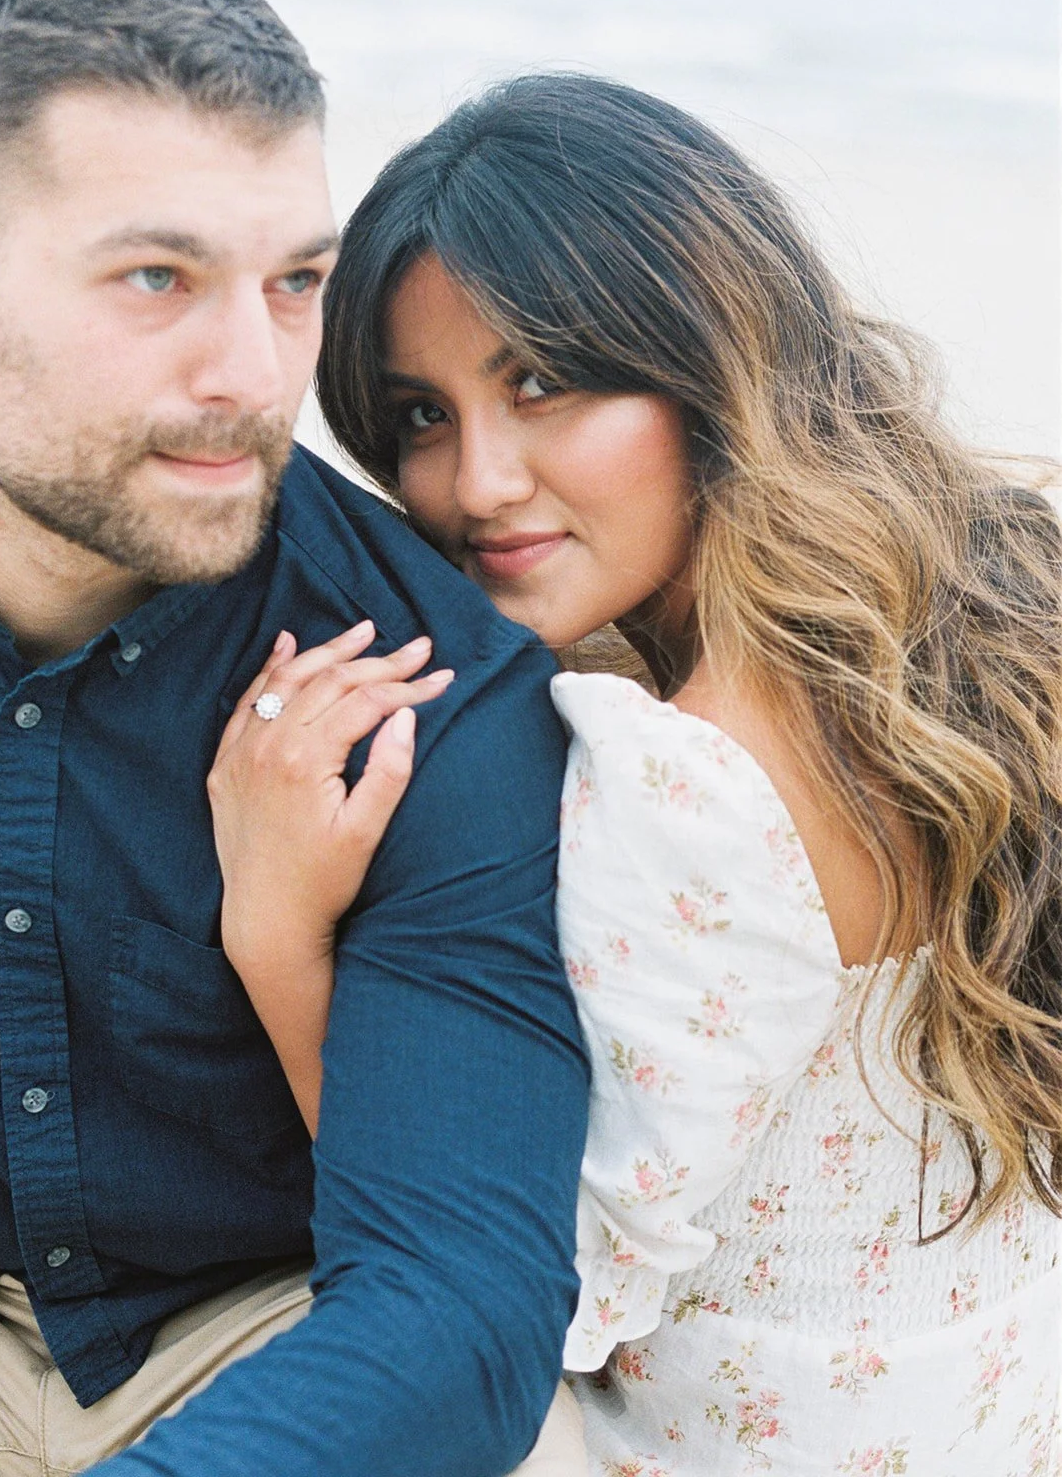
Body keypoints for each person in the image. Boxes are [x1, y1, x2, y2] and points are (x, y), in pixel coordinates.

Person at [216, 73, 1062, 1473]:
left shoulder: (684, 781)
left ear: (707, 354)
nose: (477, 483)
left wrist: (277, 927)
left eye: (542, 384)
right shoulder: (982, 607)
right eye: (420, 418)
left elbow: (540, 1291)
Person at [0, 0, 590, 1477]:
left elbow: (459, 1308)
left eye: (296, 283)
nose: (255, 372)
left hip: (269, 1334)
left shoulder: (427, 685)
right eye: (157, 278)